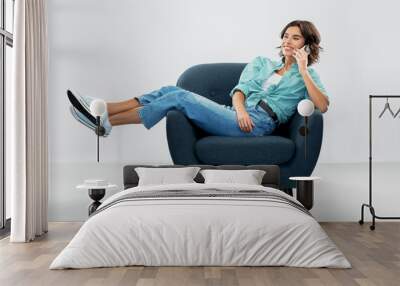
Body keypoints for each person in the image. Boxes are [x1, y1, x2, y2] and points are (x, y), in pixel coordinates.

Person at [68, 19, 329, 138]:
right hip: (238, 114)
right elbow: (240, 90)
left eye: (295, 37)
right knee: (172, 89)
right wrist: (239, 110)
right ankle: (105, 109)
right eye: (285, 36)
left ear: (307, 44)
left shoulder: (308, 76)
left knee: (180, 97)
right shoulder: (262, 63)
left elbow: (323, 105)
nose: (287, 41)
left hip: (260, 124)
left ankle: (107, 118)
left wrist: (304, 70)